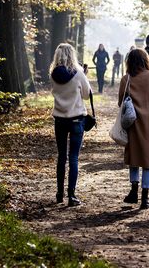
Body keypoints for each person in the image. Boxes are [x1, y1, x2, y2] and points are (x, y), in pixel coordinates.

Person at [118, 48, 149, 209]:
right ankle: (145, 197)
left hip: (133, 124)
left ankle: (133, 190)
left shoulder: (127, 79)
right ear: (146, 60)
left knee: (134, 158)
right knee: (148, 160)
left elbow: (121, 103)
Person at [50, 43, 92, 207]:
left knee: (62, 156)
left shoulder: (53, 74)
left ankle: (59, 193)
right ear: (71, 55)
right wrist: (84, 75)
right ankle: (72, 195)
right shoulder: (79, 73)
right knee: (73, 157)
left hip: (59, 119)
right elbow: (87, 95)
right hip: (76, 119)